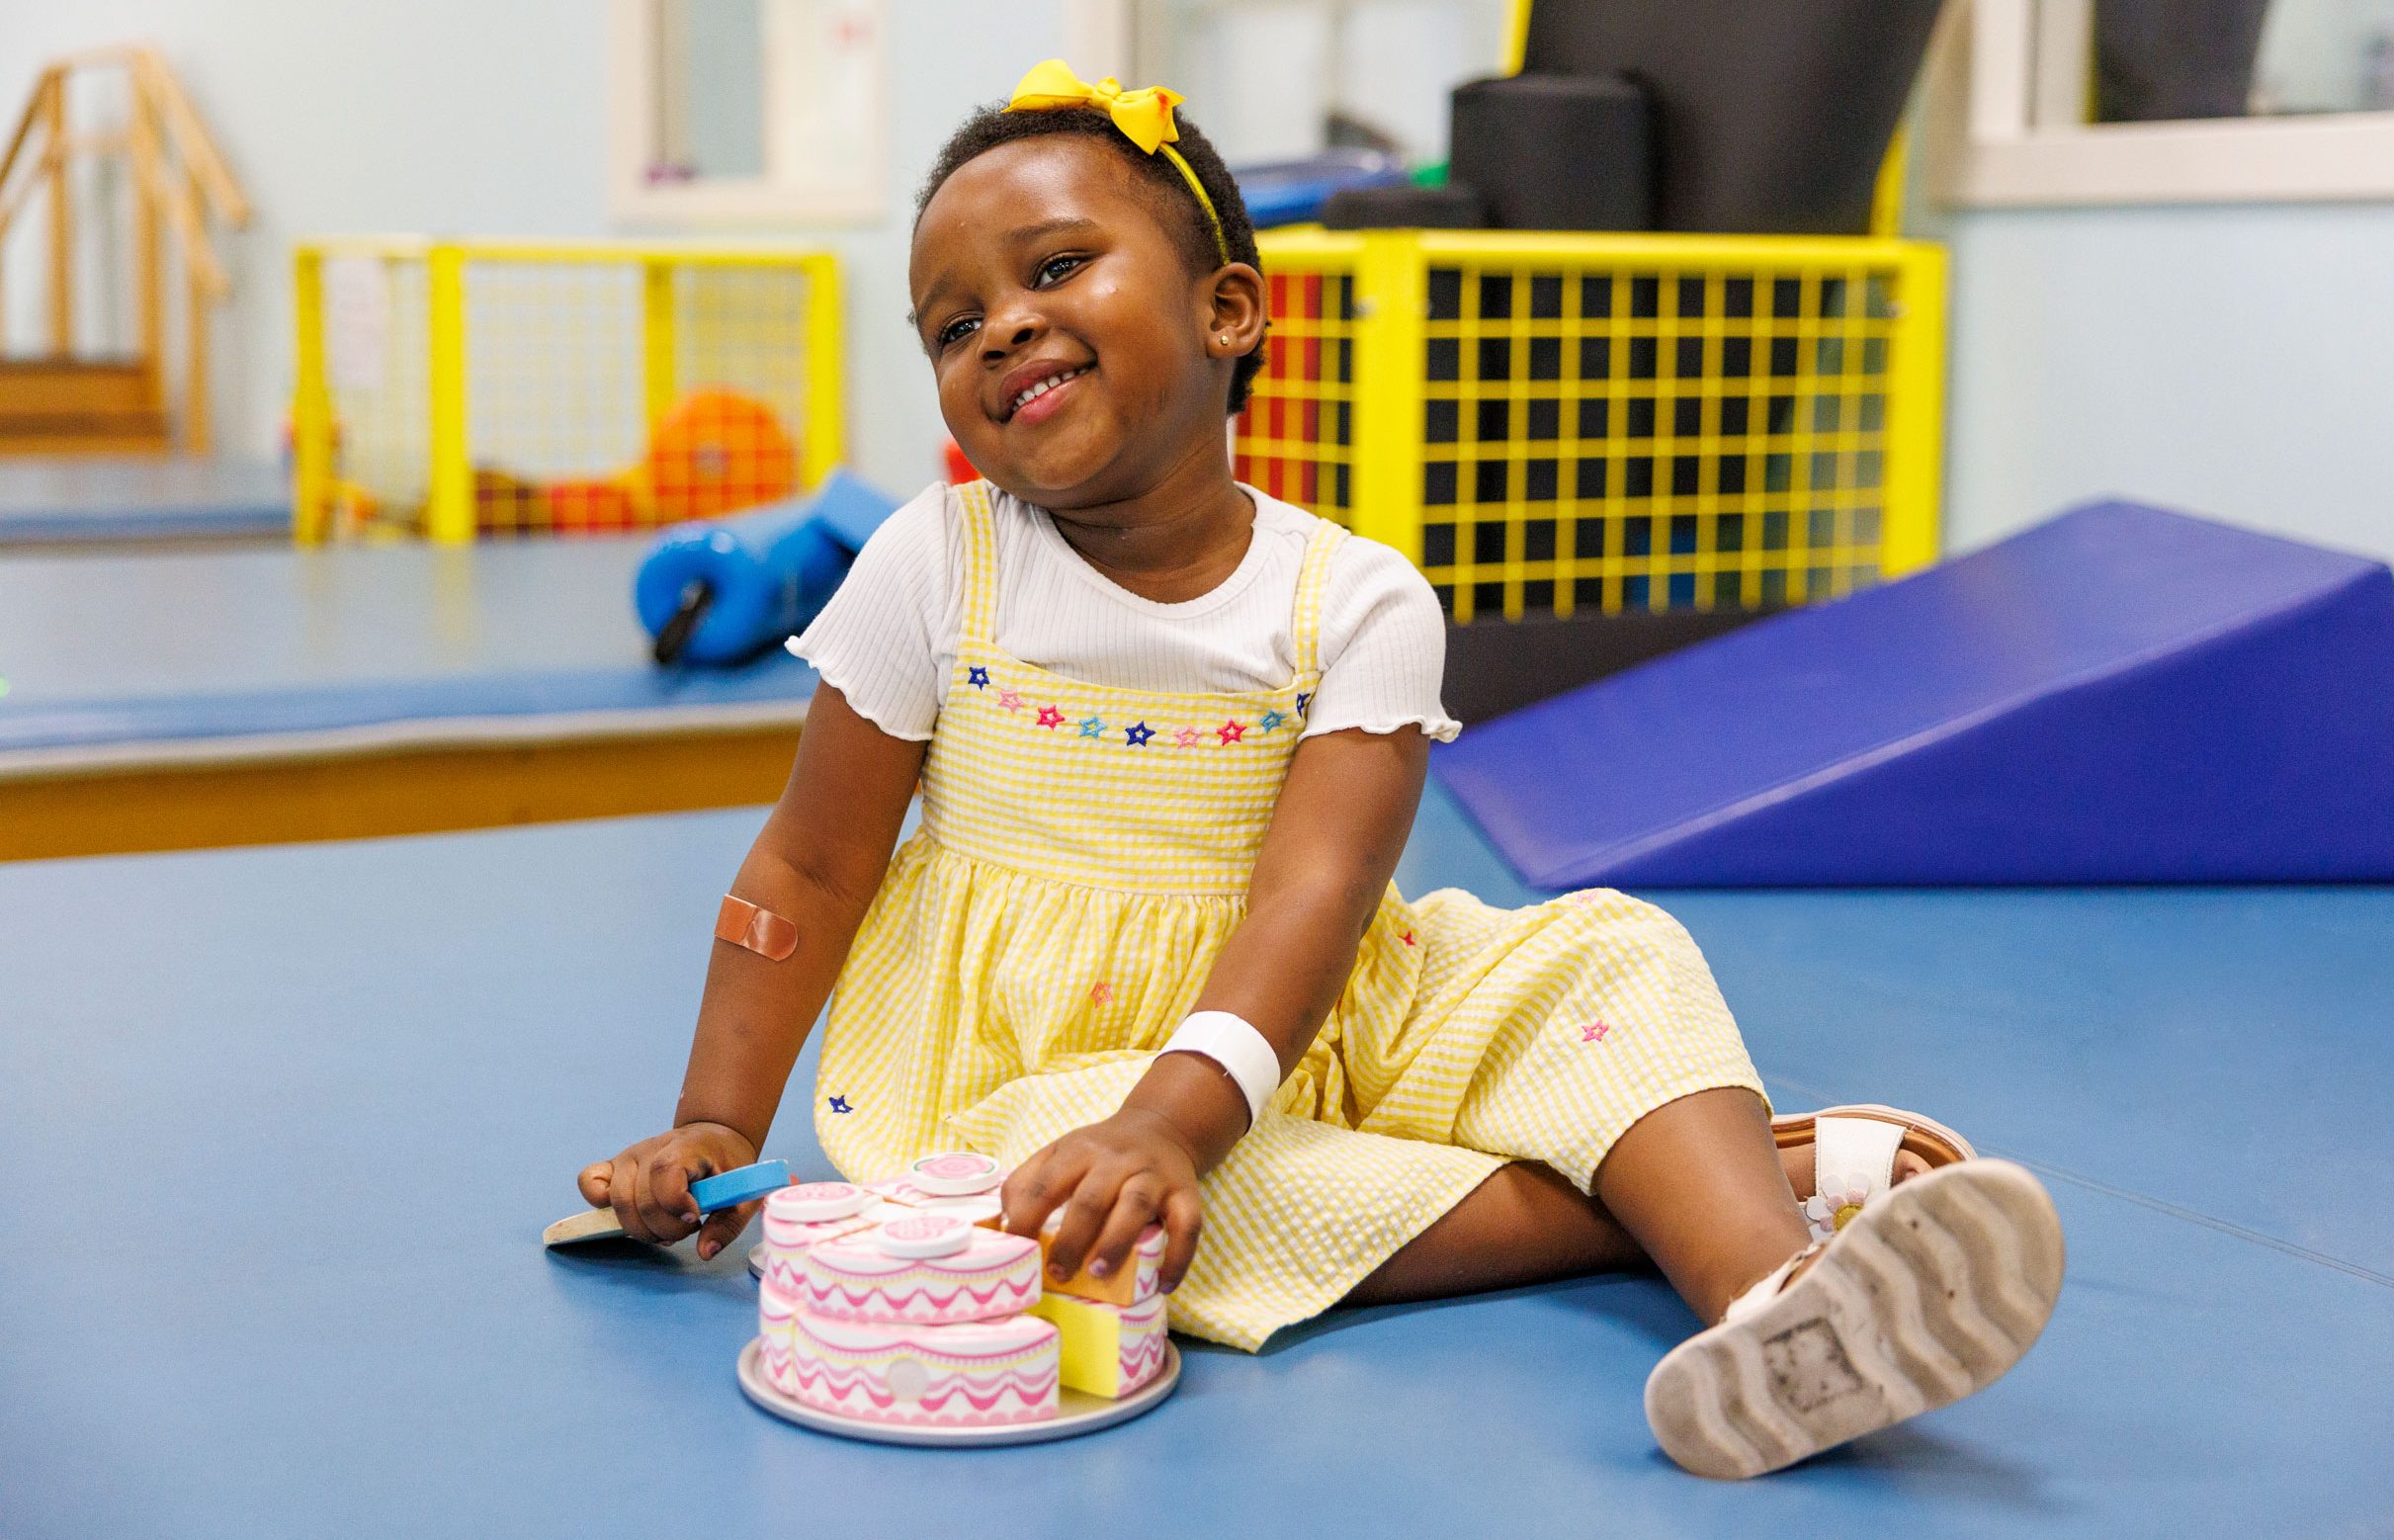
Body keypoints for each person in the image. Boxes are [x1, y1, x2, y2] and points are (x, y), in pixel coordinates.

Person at [577, 60, 2063, 1478]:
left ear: (1228, 308)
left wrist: (1180, 1113)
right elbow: (809, 865)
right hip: (1033, 1064)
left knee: (1610, 951)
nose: (1003, 332)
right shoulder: (932, 564)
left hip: (1328, 1001)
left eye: (1053, 270)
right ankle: (1674, 1190)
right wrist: (716, 1116)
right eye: (953, 326)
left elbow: (1318, 889)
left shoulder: (1351, 600)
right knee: (1045, 1185)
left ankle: (1767, 1293)